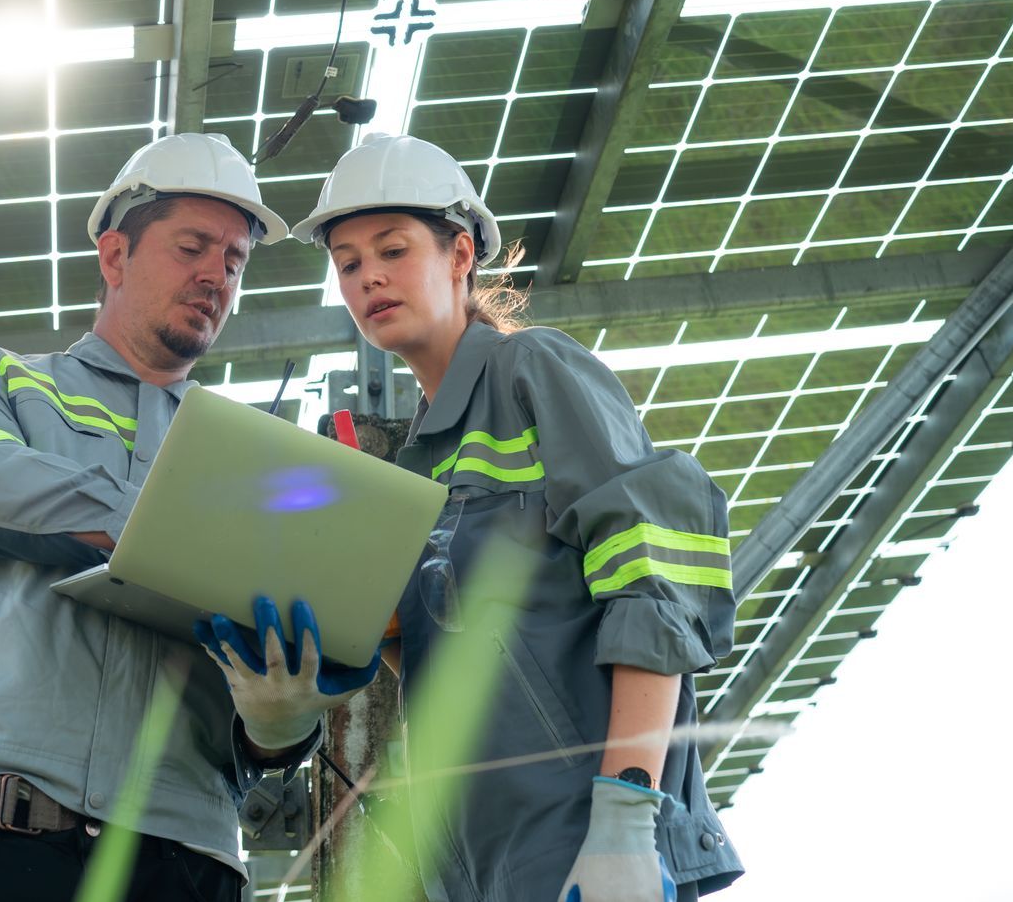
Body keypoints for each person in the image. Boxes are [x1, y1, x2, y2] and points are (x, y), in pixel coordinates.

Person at [205, 134, 743, 901]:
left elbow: (656, 579)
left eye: (392, 249)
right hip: (478, 866)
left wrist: (626, 811)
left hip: (585, 839)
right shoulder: (412, 468)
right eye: (349, 262)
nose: (369, 278)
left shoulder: (534, 372)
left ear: (461, 255)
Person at [0, 131, 340, 902]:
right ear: (115, 255)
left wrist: (282, 724)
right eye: (192, 247)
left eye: (234, 260)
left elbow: (282, 651)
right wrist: (181, 533)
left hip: (182, 862)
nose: (215, 274)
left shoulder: (264, 463)